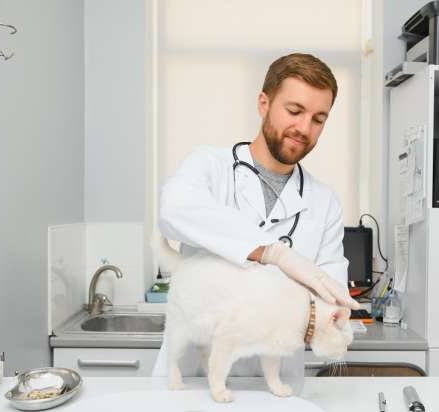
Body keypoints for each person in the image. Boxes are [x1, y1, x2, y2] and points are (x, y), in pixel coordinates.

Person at [152, 53, 359, 384]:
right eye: (294, 111)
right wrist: (273, 253)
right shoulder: (210, 166)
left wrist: (335, 315)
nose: (304, 128)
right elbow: (173, 210)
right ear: (264, 103)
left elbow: (329, 300)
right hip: (194, 378)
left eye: (319, 119)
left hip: (275, 382)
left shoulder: (324, 203)